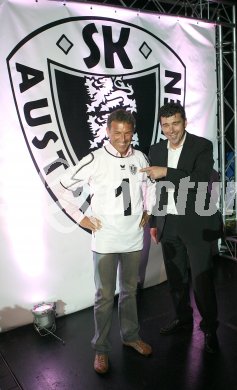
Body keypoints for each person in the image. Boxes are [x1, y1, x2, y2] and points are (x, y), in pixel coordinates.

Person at [59, 109, 156, 374]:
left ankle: (130, 336)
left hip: (133, 238)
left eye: (127, 133)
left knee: (130, 291)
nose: (123, 139)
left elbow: (149, 185)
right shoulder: (95, 159)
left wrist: (148, 208)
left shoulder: (140, 157)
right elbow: (62, 184)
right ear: (107, 132)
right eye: (117, 133)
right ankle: (100, 350)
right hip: (106, 240)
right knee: (104, 296)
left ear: (132, 132)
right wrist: (81, 218)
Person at [140, 102, 222, 354]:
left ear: (184, 122)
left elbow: (199, 179)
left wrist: (165, 171)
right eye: (166, 125)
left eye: (175, 123)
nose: (171, 129)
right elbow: (157, 190)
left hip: (196, 222)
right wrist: (155, 222)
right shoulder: (155, 149)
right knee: (176, 279)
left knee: (201, 280)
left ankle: (209, 328)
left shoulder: (202, 145)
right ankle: (183, 318)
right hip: (169, 222)